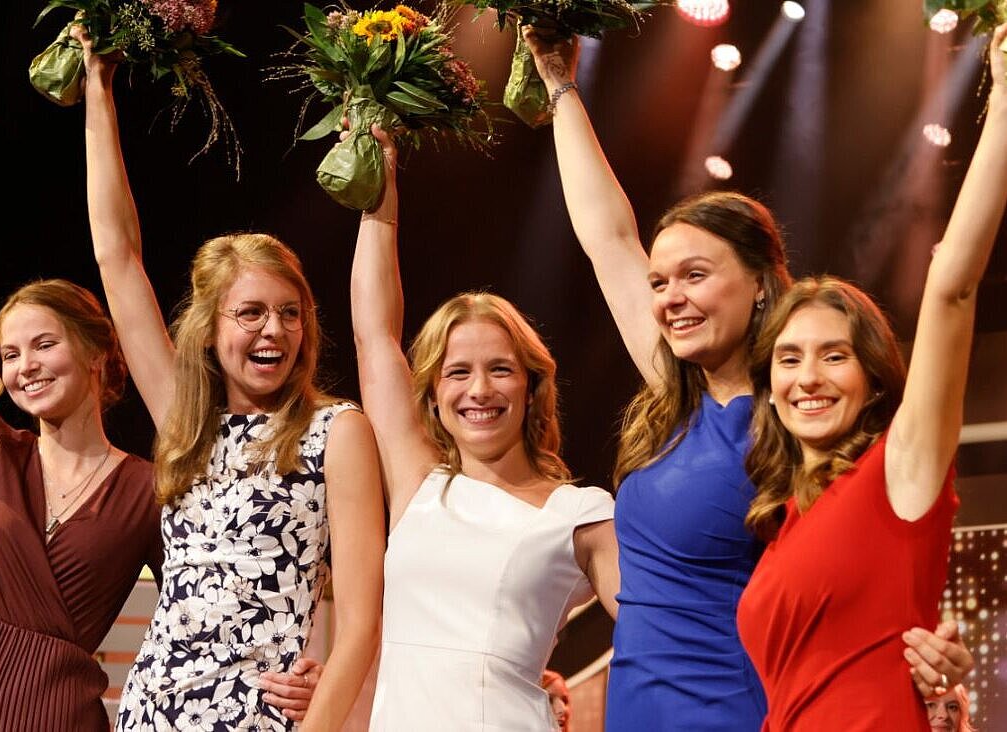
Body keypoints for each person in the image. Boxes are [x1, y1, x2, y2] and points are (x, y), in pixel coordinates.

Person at [522, 25, 977, 730]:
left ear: (760, 284)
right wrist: (560, 85)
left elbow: (872, 552)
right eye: (659, 282)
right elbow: (607, 238)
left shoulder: (794, 421)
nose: (669, 298)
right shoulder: (678, 397)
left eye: (695, 275)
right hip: (639, 710)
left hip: (733, 711)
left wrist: (928, 656)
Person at [73, 24, 386, 731]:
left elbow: (361, 623)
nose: (273, 330)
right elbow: (117, 256)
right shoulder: (186, 420)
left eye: (289, 313)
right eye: (251, 313)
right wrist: (99, 85)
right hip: (152, 711)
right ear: (212, 330)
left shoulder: (338, 432)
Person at [736, 24, 1007, 729]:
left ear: (873, 379)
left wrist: (1005, 101)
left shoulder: (899, 472)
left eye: (834, 355)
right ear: (768, 386)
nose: (808, 377)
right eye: (789, 358)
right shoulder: (781, 522)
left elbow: (951, 290)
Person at [332, 125, 620, 732]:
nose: (480, 390)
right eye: (458, 372)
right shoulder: (419, 484)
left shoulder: (581, 513)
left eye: (500, 370)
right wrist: (379, 190)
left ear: (531, 387)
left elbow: (666, 628)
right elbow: (374, 333)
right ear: (434, 396)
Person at [0, 278, 163, 731]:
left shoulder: (148, 491)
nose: (26, 366)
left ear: (95, 353)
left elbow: (205, 608)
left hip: (61, 717)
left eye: (44, 345)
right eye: (10, 355)